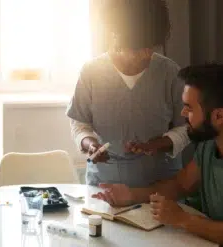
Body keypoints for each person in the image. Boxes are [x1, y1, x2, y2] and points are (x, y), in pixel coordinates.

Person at [92, 64, 223, 247]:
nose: (182, 114)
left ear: (219, 116)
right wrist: (130, 194)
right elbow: (181, 184)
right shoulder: (210, 143)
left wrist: (183, 219)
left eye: (189, 107)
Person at [66, 0, 190, 187]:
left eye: (151, 47)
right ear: (116, 37)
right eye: (138, 49)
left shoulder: (169, 72)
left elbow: (187, 126)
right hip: (105, 182)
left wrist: (158, 143)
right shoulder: (91, 72)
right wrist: (90, 144)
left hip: (160, 183)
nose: (146, 55)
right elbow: (79, 123)